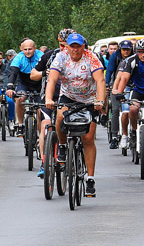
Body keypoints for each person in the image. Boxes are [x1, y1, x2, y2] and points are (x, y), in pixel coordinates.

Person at [45, 33, 105, 197]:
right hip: (68, 96)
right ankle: (63, 147)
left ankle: (90, 179)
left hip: (89, 98)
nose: (75, 49)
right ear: (67, 47)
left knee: (88, 139)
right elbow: (52, 80)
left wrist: (100, 101)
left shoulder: (91, 57)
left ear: (83, 46)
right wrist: (49, 98)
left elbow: (100, 80)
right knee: (59, 116)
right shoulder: (61, 57)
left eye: (78, 46)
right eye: (72, 46)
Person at [31, 29, 75, 178]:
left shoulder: (79, 56)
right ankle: (44, 162)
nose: (64, 49)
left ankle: (75, 155)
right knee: (46, 125)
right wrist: (45, 73)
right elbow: (33, 74)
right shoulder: (49, 56)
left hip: (71, 99)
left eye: (67, 45)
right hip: (50, 99)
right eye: (61, 45)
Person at [112, 38, 144, 157]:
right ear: (136, 51)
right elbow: (124, 78)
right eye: (140, 52)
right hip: (138, 90)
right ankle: (134, 131)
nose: (143, 55)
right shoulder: (131, 60)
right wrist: (120, 93)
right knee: (133, 109)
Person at [6, 39, 44, 134]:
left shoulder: (41, 56)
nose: (27, 52)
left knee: (40, 110)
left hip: (38, 84)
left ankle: (41, 136)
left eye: (30, 49)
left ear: (35, 48)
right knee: (20, 98)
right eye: (25, 49)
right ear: (21, 49)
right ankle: (20, 124)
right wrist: (10, 87)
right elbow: (13, 72)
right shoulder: (18, 57)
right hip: (24, 82)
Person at [106, 40, 134, 149]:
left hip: (132, 85)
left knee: (133, 109)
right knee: (116, 109)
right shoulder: (115, 56)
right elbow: (109, 71)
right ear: (120, 49)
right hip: (116, 85)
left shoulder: (135, 57)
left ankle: (134, 132)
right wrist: (108, 84)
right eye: (124, 49)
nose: (126, 51)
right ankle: (114, 136)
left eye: (128, 49)